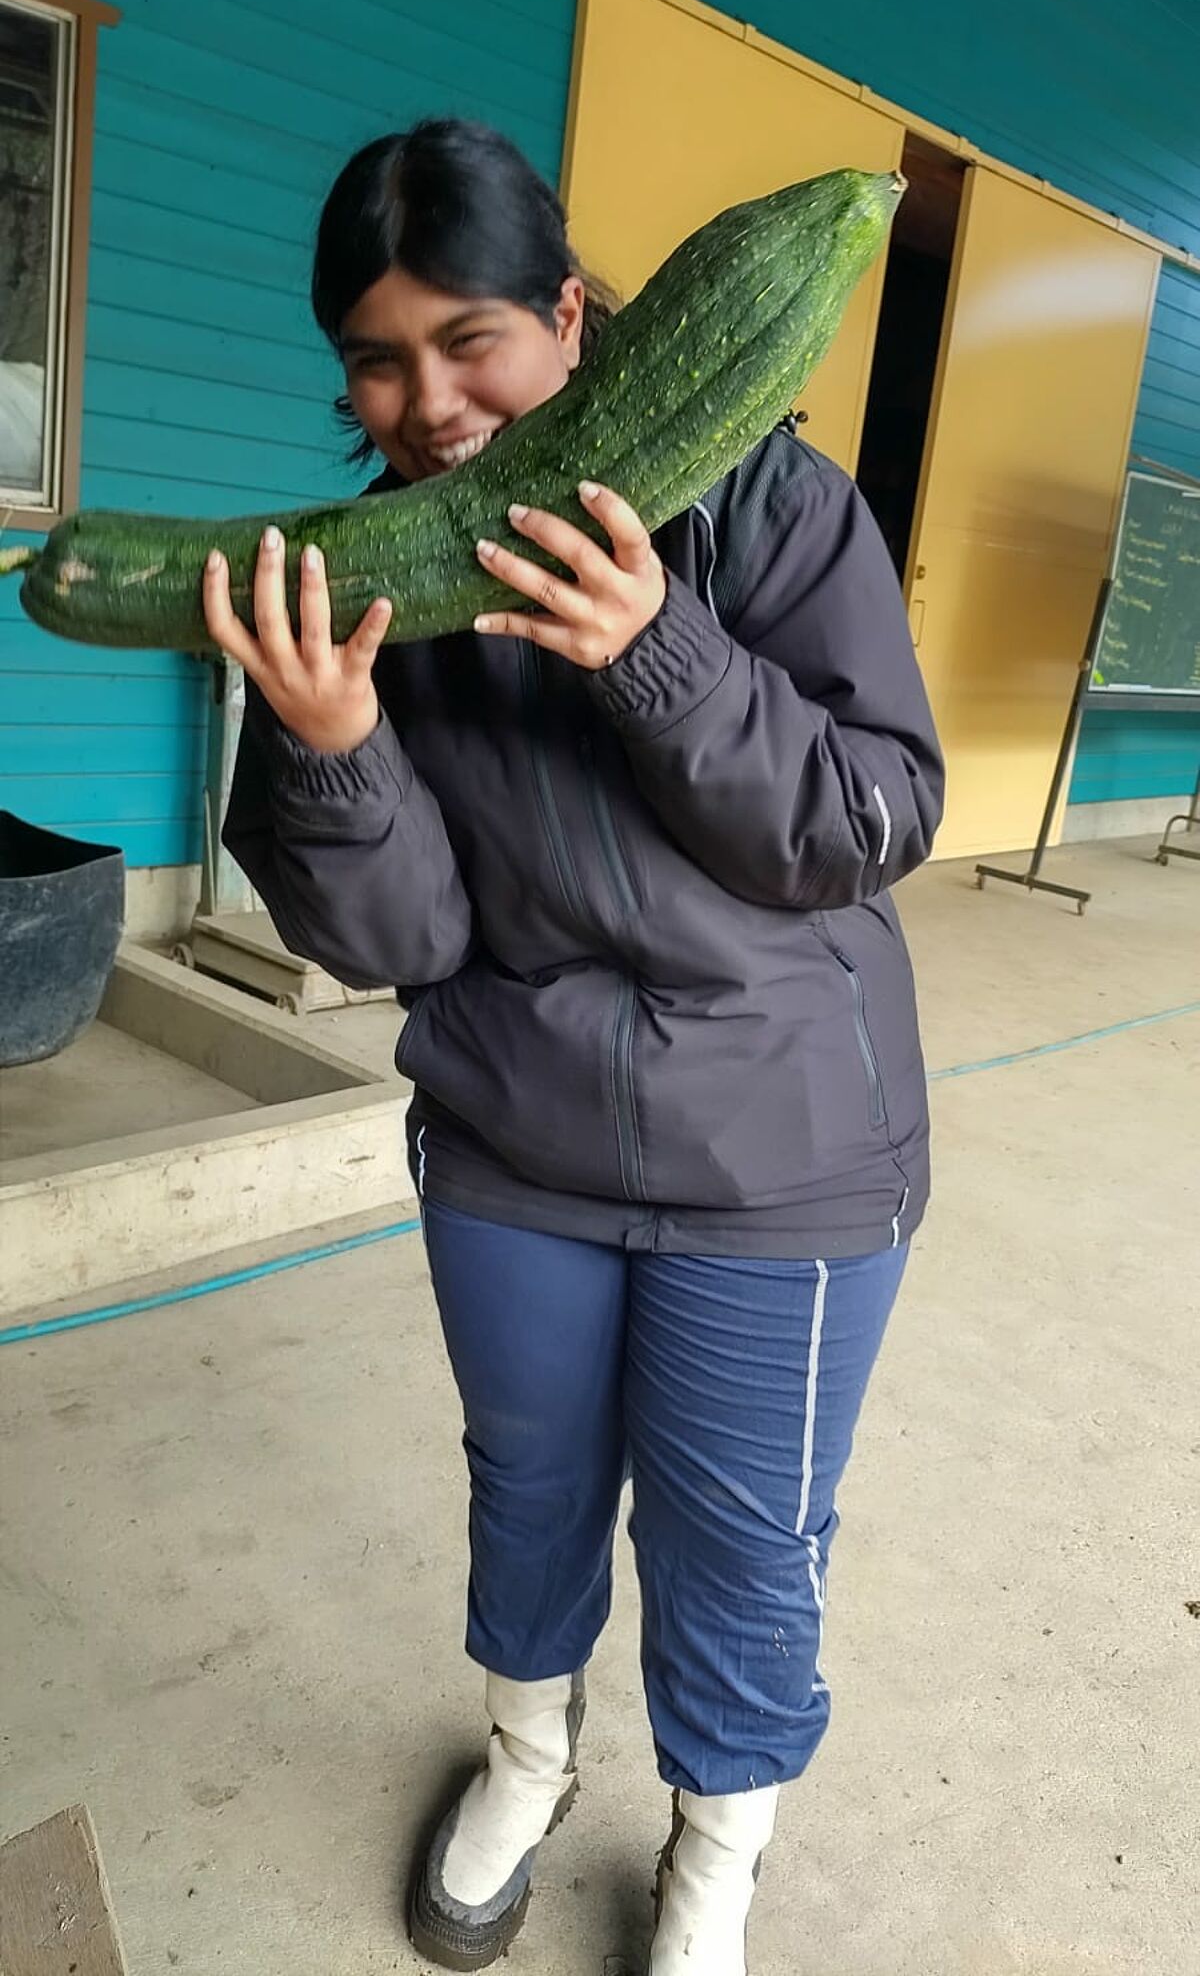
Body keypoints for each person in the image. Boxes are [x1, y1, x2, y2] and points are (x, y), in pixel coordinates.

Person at [206, 118, 944, 1975]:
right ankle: (526, 1758)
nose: (430, 403)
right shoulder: (366, 580)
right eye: (377, 357)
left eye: (472, 342)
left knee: (741, 1540)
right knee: (528, 1484)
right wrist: (328, 741)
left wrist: (661, 652)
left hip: (779, 1155)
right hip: (516, 1144)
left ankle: (716, 1846)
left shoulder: (767, 507)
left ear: (568, 310)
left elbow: (867, 816)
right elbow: (401, 938)